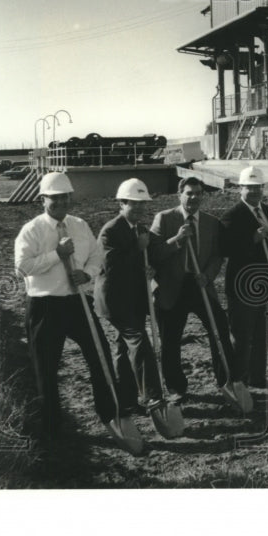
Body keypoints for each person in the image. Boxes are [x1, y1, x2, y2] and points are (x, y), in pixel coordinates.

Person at [14, 171, 132, 449]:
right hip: (45, 305)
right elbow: (21, 267)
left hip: (77, 302)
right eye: (54, 198)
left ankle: (110, 412)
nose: (61, 202)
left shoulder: (79, 225)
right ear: (43, 199)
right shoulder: (32, 230)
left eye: (65, 197)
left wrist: (88, 274)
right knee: (46, 370)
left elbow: (96, 254)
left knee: (99, 356)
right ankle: (53, 429)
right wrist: (57, 255)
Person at [95, 178, 176, 434]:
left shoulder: (141, 229)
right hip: (115, 300)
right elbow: (112, 267)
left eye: (143, 204)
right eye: (134, 204)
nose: (140, 209)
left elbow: (156, 253)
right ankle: (153, 396)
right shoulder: (110, 230)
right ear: (122, 203)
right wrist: (137, 249)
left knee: (123, 348)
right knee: (139, 342)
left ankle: (126, 400)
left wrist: (174, 243)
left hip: (135, 299)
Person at [148, 176, 234, 405]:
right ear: (180, 194)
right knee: (171, 339)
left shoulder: (211, 222)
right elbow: (154, 254)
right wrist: (176, 240)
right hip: (171, 286)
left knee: (219, 327)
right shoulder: (164, 219)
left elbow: (218, 255)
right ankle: (177, 387)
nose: (194, 197)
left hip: (199, 284)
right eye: (189, 193)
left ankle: (226, 379)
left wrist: (208, 275)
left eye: (198, 193)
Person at [221, 165, 268, 387]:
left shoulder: (267, 211)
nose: (254, 192)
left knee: (261, 333)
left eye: (257, 188)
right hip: (242, 285)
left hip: (264, 283)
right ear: (240, 189)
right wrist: (252, 239)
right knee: (242, 336)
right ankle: (238, 380)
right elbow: (225, 249)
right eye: (249, 188)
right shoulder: (231, 216)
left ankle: (258, 378)